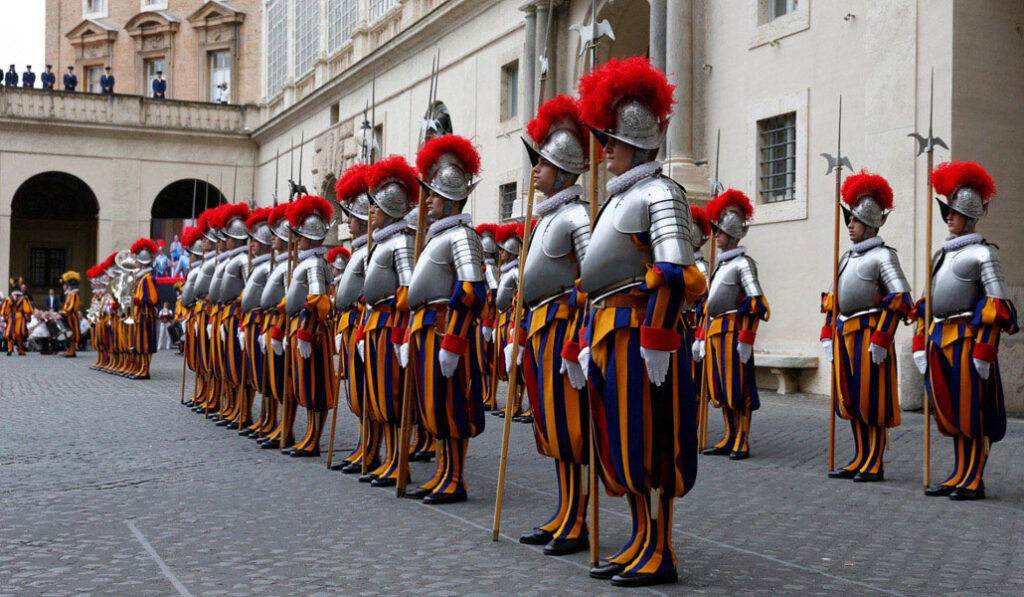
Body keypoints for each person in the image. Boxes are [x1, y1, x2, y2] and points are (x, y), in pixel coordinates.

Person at [576, 57, 706, 587]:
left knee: (654, 445)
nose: (605, 150)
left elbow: (676, 272)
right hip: (611, 334)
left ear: (639, 144)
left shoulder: (659, 194)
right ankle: (637, 538)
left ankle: (661, 548)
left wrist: (656, 336)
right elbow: (600, 282)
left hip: (644, 340)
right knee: (622, 445)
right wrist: (587, 339)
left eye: (613, 141)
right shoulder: (617, 199)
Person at [515, 94, 592, 556]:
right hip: (541, 328)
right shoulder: (545, 218)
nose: (535, 170)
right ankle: (564, 509)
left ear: (563, 171)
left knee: (572, 429)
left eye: (541, 163)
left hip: (565, 331)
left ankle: (579, 517)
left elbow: (593, 278)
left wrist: (580, 341)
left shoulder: (578, 217)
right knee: (550, 428)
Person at [913, 161, 1018, 500]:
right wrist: (919, 340)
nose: (948, 217)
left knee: (972, 413)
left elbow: (995, 308)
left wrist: (985, 350)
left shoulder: (984, 254)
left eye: (955, 212)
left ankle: (974, 477)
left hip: (968, 342)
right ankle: (958, 472)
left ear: (970, 215)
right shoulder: (940, 255)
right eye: (947, 211)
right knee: (950, 412)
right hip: (939, 338)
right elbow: (926, 303)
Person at [401, 134, 487, 504]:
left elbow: (472, 292)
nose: (428, 200)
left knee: (453, 406)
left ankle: (455, 477)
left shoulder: (463, 237)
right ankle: (441, 471)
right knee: (432, 407)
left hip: (445, 331)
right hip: (425, 330)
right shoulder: (435, 236)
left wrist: (454, 342)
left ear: (451, 198)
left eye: (433, 194)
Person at [820, 171, 911, 483]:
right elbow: (833, 299)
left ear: (871, 224)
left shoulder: (884, 256)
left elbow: (899, 299)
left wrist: (883, 336)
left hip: (871, 336)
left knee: (872, 400)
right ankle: (859, 454)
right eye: (849, 219)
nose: (850, 224)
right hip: (845, 335)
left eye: (856, 220)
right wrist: (826, 333)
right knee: (851, 398)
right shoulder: (845, 257)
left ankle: (875, 460)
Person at [694, 189, 770, 461]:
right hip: (715, 332)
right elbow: (709, 307)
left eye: (720, 231)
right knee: (720, 387)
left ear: (731, 230)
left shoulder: (743, 264)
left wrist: (747, 337)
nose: (716, 235)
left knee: (739, 387)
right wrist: (701, 337)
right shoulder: (720, 265)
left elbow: (756, 303)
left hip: (734, 332)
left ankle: (742, 438)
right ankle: (729, 433)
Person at [360, 155, 419, 487]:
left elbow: (408, 290)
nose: (371, 212)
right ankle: (390, 458)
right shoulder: (384, 240)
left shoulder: (402, 242)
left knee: (394, 397)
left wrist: (401, 333)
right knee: (381, 397)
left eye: (377, 207)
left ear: (392, 208)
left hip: (392, 327)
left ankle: (400, 461)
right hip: (376, 324)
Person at [281, 195, 335, 457]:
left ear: (311, 238)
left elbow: (317, 300)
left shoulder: (314, 263)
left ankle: (314, 438)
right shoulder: (308, 260)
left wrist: (303, 331)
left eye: (300, 236)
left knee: (316, 388)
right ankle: (308, 436)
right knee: (304, 385)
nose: (297, 240)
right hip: (300, 328)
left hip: (312, 332)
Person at [331, 165, 376, 469]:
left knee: (370, 391)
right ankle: (363, 445)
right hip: (351, 325)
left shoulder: (373, 249)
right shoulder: (358, 249)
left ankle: (371, 449)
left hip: (366, 326)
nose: (347, 221)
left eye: (351, 216)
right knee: (356, 391)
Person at [211, 203, 252, 430]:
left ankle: (242, 410)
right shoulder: (230, 259)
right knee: (226, 365)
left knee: (238, 365)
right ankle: (231, 406)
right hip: (225, 314)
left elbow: (250, 288)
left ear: (236, 239)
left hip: (237, 315)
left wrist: (240, 301)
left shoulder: (244, 260)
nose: (224, 242)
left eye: (228, 238)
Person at [238, 207, 277, 438]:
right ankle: (261, 417)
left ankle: (269, 419)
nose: (251, 244)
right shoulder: (258, 265)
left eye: (255, 240)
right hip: (251, 319)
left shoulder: (268, 266)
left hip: (263, 319)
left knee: (266, 374)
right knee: (253, 371)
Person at [128, 238, 159, 378]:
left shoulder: (147, 278)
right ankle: (141, 367)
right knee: (139, 344)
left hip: (145, 315)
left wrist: (138, 300)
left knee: (144, 344)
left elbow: (152, 298)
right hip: (139, 314)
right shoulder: (140, 278)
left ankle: (145, 369)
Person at [3, 280, 34, 355]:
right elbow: (28, 310)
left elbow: (5, 310)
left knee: (10, 332)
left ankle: (9, 349)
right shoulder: (23, 298)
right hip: (20, 316)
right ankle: (20, 350)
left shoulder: (8, 298)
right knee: (20, 333)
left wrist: (5, 318)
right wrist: (29, 318)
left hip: (11, 316)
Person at [60, 271, 82, 357]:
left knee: (73, 334)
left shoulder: (74, 295)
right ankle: (69, 349)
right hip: (68, 316)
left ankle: (73, 350)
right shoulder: (70, 295)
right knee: (69, 334)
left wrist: (64, 313)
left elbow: (71, 307)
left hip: (72, 316)